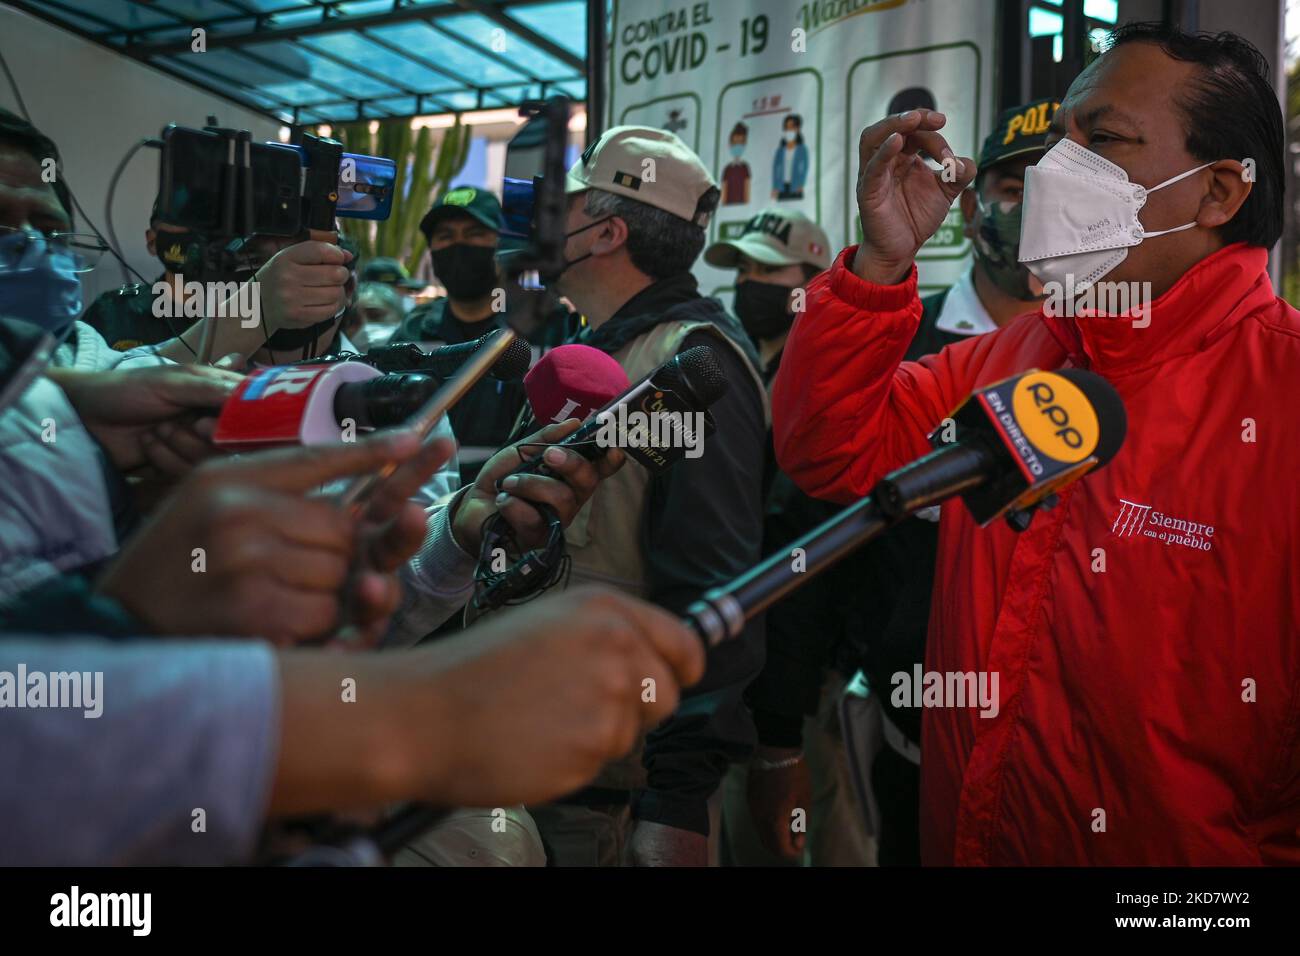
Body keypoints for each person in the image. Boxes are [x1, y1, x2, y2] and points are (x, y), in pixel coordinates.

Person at [772, 23, 1300, 865]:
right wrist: (876, 269)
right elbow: (828, 451)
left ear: (1220, 192)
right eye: (1063, 136)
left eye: (1105, 139)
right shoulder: (1014, 356)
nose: (1058, 169)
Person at [531, 125, 769, 866]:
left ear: (606, 232)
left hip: (610, 795)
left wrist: (677, 802)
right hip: (550, 758)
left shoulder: (684, 367)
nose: (546, 227)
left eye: (563, 210)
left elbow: (713, 586)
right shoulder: (606, 347)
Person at [701, 207, 873, 866]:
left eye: (766, 270)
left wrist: (799, 684)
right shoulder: (733, 365)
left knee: (814, 827)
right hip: (736, 651)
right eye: (742, 269)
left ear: (812, 278)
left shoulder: (828, 377)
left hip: (803, 666)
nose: (749, 283)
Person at [390, 186, 527, 486]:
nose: (459, 245)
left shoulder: (540, 326)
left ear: (502, 244)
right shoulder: (412, 332)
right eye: (445, 236)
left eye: (475, 233)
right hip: (427, 504)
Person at [771, 114, 809, 201]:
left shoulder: (802, 149)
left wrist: (801, 184)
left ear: (798, 129)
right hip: (782, 187)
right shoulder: (780, 150)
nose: (789, 130)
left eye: (791, 127)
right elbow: (776, 169)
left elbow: (804, 168)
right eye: (786, 127)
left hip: (796, 187)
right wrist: (775, 187)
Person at [721, 122, 752, 206]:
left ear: (744, 144)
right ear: (730, 144)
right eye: (735, 142)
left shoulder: (745, 168)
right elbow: (723, 197)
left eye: (740, 143)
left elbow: (747, 195)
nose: (737, 146)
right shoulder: (727, 169)